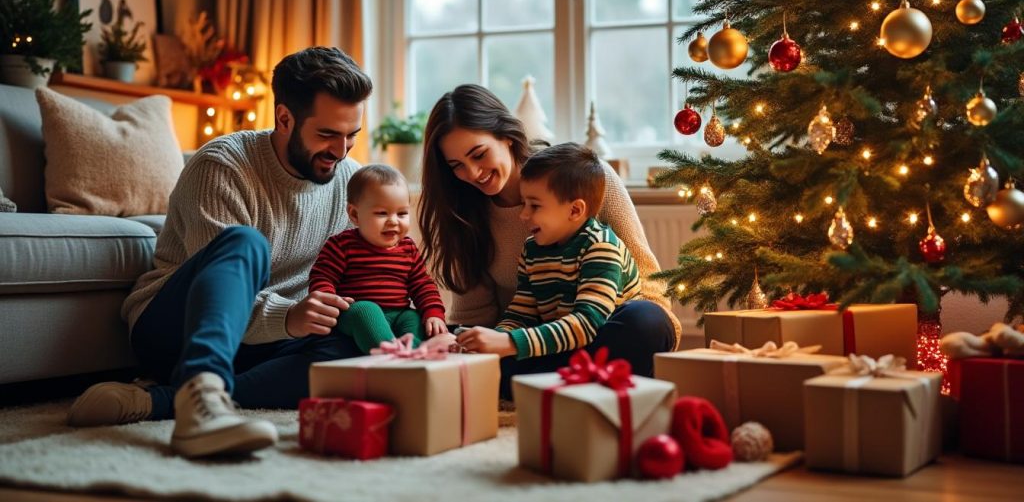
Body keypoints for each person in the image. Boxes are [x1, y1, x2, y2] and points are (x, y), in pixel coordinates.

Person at [67, 46, 372, 459]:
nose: (341, 150)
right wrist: (289, 317)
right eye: (327, 134)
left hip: (272, 341)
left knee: (357, 348)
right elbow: (217, 295)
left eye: (352, 135)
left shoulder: (351, 182)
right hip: (180, 327)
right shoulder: (223, 165)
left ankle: (163, 401)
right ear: (284, 118)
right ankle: (201, 393)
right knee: (246, 242)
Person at [419, 84, 682, 392]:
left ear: (506, 136)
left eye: (479, 154)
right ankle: (569, 381)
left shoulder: (583, 178)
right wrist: (463, 341)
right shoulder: (469, 216)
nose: (473, 173)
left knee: (646, 320)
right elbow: (485, 319)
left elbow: (649, 287)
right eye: (457, 166)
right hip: (533, 341)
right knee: (431, 337)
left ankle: (537, 383)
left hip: (604, 329)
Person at [457, 143, 654, 394]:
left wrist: (508, 343)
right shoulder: (532, 249)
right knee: (488, 361)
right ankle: (555, 381)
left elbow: (587, 324)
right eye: (524, 203)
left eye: (534, 206)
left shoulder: (601, 246)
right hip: (559, 345)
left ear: (575, 210)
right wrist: (494, 343)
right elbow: (521, 313)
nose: (523, 215)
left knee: (644, 318)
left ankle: (556, 381)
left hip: (598, 343)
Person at [309, 164, 448, 353]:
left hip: (398, 313)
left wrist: (433, 313)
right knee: (366, 310)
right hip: (354, 313)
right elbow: (322, 277)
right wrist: (329, 300)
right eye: (382, 213)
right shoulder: (342, 245)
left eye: (402, 213)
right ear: (355, 214)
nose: (393, 221)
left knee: (413, 317)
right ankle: (389, 353)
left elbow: (422, 284)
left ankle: (412, 352)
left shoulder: (408, 248)